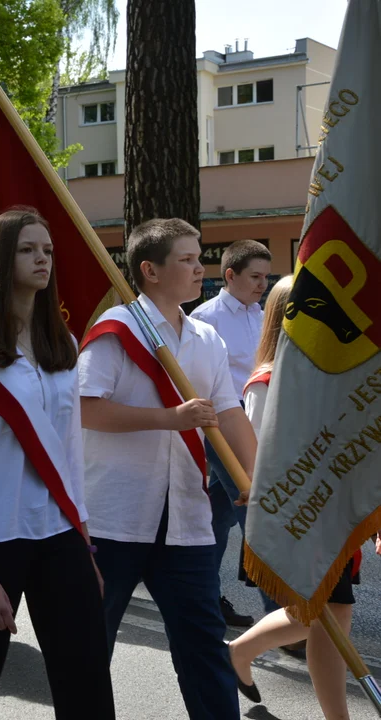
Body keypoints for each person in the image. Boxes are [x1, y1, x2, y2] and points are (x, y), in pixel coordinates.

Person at [0, 209, 114, 720]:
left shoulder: (64, 345)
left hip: (59, 533)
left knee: (87, 679)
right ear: (0, 259)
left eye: (47, 250)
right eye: (29, 249)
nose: (42, 259)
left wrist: (86, 544)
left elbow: (71, 455)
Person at [78, 218, 258, 719]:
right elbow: (85, 407)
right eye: (186, 259)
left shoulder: (206, 337)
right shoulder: (116, 331)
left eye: (199, 257)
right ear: (149, 270)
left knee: (204, 649)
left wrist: (258, 478)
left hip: (186, 523)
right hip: (114, 519)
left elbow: (228, 413)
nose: (200, 267)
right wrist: (168, 419)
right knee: (92, 650)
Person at [227, 276, 355, 719]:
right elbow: (260, 458)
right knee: (327, 613)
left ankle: (239, 652)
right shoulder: (266, 382)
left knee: (323, 614)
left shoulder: (329, 378)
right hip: (298, 519)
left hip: (334, 514)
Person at [190, 239, 275, 627]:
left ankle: (199, 595)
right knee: (256, 515)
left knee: (218, 515)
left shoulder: (262, 314)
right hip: (224, 426)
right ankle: (282, 618)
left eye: (265, 277)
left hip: (259, 423)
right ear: (230, 275)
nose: (262, 284)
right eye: (254, 276)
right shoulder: (207, 318)